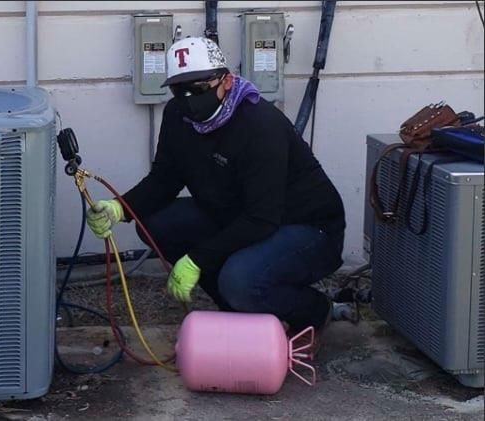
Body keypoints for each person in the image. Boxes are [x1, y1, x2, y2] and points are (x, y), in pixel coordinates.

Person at [86, 36, 346, 335]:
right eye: (178, 89)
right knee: (155, 225)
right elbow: (165, 178)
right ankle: (238, 312)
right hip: (238, 214)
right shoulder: (177, 116)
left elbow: (262, 217)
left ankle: (314, 310)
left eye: (197, 88)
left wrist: (197, 259)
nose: (187, 98)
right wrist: (120, 208)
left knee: (241, 280)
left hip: (306, 228)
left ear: (226, 81)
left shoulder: (260, 126)